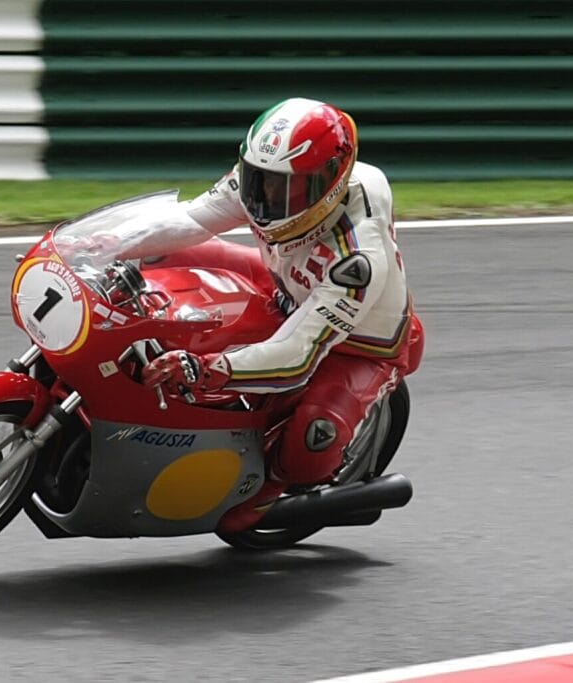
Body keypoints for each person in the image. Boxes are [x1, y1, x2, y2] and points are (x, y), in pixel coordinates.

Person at [140, 97, 424, 533]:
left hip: (360, 343)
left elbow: (296, 356)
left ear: (330, 186)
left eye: (286, 188)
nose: (266, 197)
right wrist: (92, 247)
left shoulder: (358, 258)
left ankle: (270, 493)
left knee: (314, 434)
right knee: (165, 255)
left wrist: (206, 369)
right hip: (287, 287)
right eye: (260, 180)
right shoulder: (261, 182)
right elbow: (189, 220)